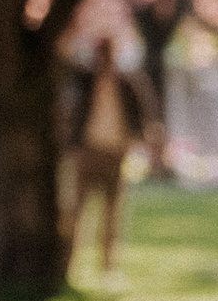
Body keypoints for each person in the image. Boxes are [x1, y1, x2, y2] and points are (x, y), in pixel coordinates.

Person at [63, 36, 153, 279]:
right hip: (88, 152)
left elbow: (140, 117)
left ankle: (108, 266)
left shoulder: (126, 84)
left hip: (115, 153)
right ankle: (68, 264)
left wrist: (135, 143)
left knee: (112, 214)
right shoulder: (83, 82)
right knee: (76, 212)